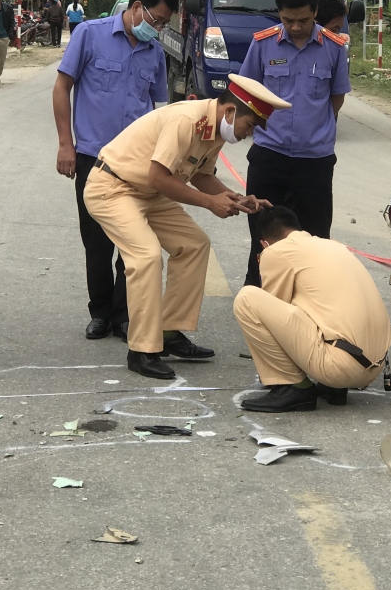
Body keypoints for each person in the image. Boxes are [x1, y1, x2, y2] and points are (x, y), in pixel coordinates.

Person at [84, 74, 288, 379]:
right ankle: (141, 350)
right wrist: (209, 203)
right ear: (231, 112)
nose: (250, 133)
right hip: (113, 187)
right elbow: (159, 176)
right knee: (146, 256)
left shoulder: (215, 128)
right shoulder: (185, 119)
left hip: (148, 193)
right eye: (250, 125)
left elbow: (201, 175)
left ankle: (168, 332)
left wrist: (236, 199)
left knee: (194, 245)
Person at [52, 0, 173, 343]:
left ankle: (124, 315)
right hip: (93, 157)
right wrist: (65, 144)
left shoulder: (155, 53)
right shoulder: (90, 34)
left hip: (137, 163)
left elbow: (160, 108)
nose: (160, 27)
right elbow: (62, 88)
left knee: (134, 243)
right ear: (137, 7)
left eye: (166, 23)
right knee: (96, 241)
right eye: (158, 19)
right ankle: (100, 312)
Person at [238, 0, 351, 287]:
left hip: (314, 161)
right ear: (279, 14)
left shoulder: (335, 47)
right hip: (269, 157)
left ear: (315, 12)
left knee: (315, 239)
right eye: (288, 20)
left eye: (303, 20)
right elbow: (247, 92)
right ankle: (257, 298)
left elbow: (337, 97)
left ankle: (310, 301)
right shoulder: (262, 43)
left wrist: (315, 128)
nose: (296, 27)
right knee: (262, 237)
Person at [234, 206, 391, 413]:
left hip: (340, 367)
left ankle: (291, 387)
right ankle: (333, 388)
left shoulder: (276, 251)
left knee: (247, 299)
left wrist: (266, 258)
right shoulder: (331, 245)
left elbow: (275, 311)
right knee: (315, 304)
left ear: (264, 243)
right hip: (374, 366)